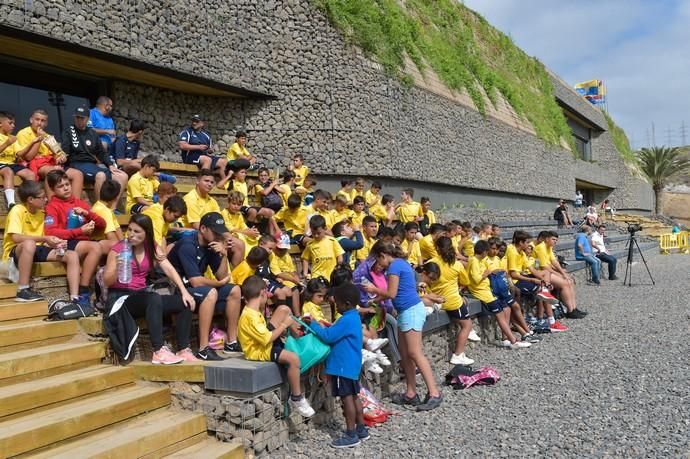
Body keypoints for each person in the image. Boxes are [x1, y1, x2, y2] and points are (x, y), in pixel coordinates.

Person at [103, 213, 198, 364]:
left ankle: (183, 348)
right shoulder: (119, 249)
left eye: (137, 231)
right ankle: (158, 350)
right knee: (153, 298)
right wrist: (118, 268)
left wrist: (185, 292)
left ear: (146, 233)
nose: (131, 235)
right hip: (121, 298)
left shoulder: (151, 246)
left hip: (141, 295)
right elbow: (107, 281)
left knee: (183, 302)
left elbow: (169, 269)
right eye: (130, 230)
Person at [363, 241, 442, 411]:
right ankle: (411, 392)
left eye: (378, 260)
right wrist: (377, 299)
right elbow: (399, 291)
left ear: (383, 255)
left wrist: (373, 289)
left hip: (410, 311)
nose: (379, 264)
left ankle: (434, 392)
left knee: (414, 353)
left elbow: (391, 293)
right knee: (405, 355)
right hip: (406, 311)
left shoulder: (394, 267)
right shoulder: (401, 264)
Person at [167, 212, 243, 359]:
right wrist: (218, 284)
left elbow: (222, 276)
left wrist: (224, 255)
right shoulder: (187, 245)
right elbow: (196, 281)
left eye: (220, 232)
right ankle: (203, 349)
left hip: (195, 288)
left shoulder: (212, 245)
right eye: (215, 232)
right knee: (211, 292)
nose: (218, 236)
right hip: (177, 289)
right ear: (202, 229)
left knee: (235, 290)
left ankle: (231, 342)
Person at [238, 275, 315, 418]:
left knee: (284, 309)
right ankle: (296, 398)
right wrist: (284, 325)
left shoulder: (253, 311)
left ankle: (300, 337)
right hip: (260, 351)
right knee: (294, 359)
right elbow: (267, 338)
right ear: (262, 293)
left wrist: (284, 323)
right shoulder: (249, 316)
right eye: (267, 295)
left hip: (264, 341)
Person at [310, 283, 369, 448]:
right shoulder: (354, 317)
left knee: (346, 398)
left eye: (338, 303)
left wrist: (314, 325)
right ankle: (361, 429)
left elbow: (328, 336)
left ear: (347, 304)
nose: (336, 305)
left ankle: (351, 434)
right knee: (354, 395)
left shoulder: (346, 319)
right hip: (352, 365)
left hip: (342, 366)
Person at [2, 180, 72, 302]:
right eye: (42, 197)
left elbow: (43, 241)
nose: (46, 200)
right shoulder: (17, 210)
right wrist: (44, 239)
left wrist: (56, 243)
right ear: (30, 199)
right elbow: (16, 238)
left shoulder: (41, 213)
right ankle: (23, 290)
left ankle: (75, 296)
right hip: (15, 254)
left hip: (35, 249)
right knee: (29, 244)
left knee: (72, 255)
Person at [44, 170, 105, 308]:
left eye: (67, 184)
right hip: (65, 242)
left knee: (111, 246)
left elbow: (102, 224)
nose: (66, 188)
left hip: (81, 241)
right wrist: (79, 231)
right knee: (95, 247)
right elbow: (51, 232)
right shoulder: (52, 206)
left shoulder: (79, 203)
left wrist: (87, 214)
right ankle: (83, 290)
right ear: (53, 189)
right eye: (60, 186)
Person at [61, 106, 128, 209]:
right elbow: (65, 151)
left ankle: (112, 209)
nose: (78, 120)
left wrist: (110, 165)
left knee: (123, 176)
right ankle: (99, 208)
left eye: (81, 118)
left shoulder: (92, 133)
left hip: (91, 165)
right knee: (101, 175)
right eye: (77, 117)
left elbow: (101, 152)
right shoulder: (68, 131)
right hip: (76, 164)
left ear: (87, 119)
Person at [15, 109, 84, 199]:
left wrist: (61, 157)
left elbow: (60, 153)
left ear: (46, 123)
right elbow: (28, 157)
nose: (39, 123)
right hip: (34, 165)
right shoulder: (23, 133)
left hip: (49, 163)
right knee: (53, 171)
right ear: (31, 120)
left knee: (77, 174)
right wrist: (39, 139)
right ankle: (53, 205)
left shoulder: (48, 136)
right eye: (37, 119)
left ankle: (75, 206)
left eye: (42, 121)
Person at [427, 237, 475, 365]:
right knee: (467, 325)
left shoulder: (431, 262)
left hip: (435, 299)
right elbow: (466, 282)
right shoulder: (457, 264)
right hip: (452, 301)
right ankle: (458, 354)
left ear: (437, 248)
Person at [178, 114, 228, 184]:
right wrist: (199, 147)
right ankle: (202, 182)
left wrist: (210, 150)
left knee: (224, 162)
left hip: (203, 156)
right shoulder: (186, 132)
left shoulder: (206, 136)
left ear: (202, 123)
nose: (194, 123)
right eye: (193, 121)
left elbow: (209, 150)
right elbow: (182, 146)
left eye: (196, 121)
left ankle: (224, 184)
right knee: (207, 160)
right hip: (189, 156)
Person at [0, 111, 35, 208]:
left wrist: (32, 143)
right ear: (0, 123)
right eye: (10, 123)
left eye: (14, 123)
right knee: (8, 171)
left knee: (30, 174)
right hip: (1, 163)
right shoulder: (7, 139)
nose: (13, 126)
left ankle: (30, 202)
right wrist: (7, 143)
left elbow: (19, 154)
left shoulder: (12, 137)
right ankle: (11, 203)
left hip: (11, 164)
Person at [302, 215, 344, 281]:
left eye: (319, 233)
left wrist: (338, 267)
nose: (316, 235)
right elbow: (305, 258)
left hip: (332, 275)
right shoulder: (310, 244)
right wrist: (305, 272)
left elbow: (339, 256)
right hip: (317, 275)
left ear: (325, 229)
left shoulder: (332, 241)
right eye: (313, 233)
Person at [91, 179, 124, 252]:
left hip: (101, 243)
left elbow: (117, 228)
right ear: (115, 198)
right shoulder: (103, 211)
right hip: (97, 244)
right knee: (117, 245)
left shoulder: (101, 206)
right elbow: (111, 238)